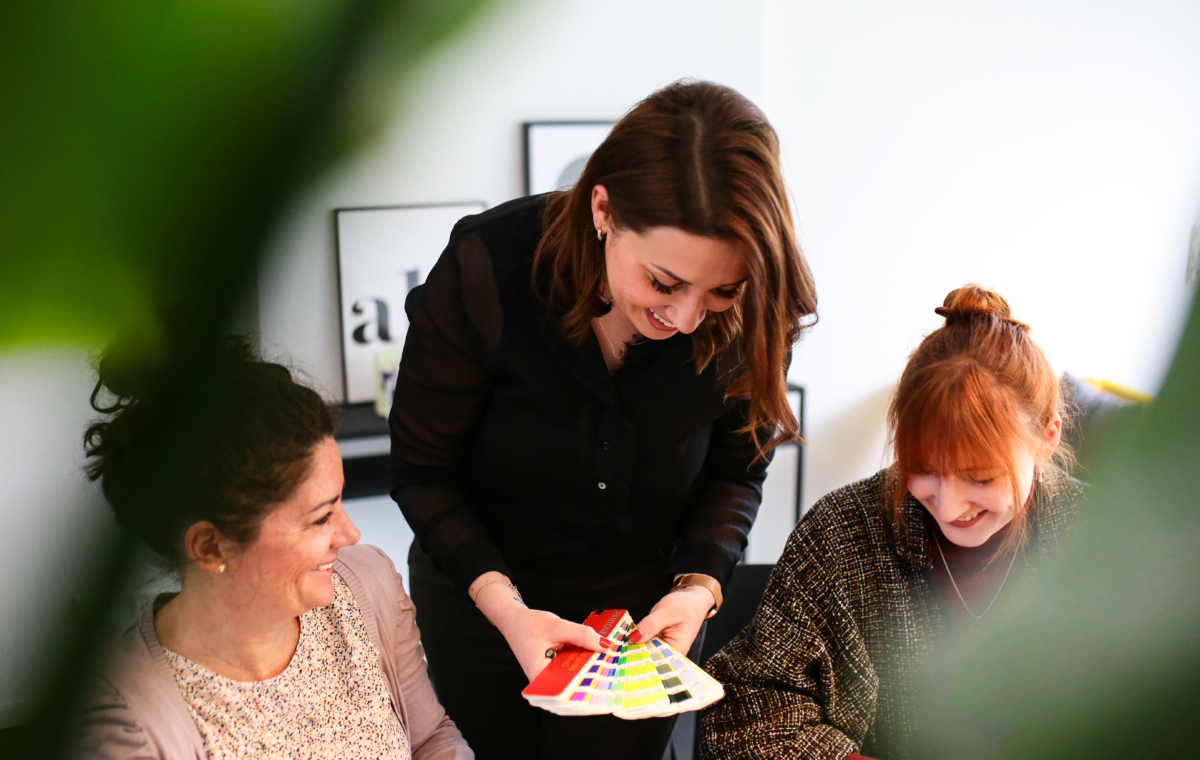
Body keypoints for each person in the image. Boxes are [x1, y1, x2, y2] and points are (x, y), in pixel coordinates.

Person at [389, 79, 818, 759]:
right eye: (664, 283)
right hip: (484, 596)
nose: (684, 320)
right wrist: (507, 609)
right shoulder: (490, 268)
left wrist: (701, 587)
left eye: (721, 292)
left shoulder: (758, 305)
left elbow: (737, 474)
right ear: (603, 210)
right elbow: (423, 470)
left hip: (642, 611)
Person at [699, 286, 1085, 760]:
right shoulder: (841, 533)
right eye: (923, 470)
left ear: (1047, 436)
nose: (948, 506)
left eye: (980, 477)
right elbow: (748, 711)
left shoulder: (1106, 541)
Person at [72, 339, 471, 760]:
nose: (350, 533)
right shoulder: (128, 723)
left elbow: (430, 740)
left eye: (340, 501)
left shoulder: (368, 589)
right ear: (210, 547)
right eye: (320, 517)